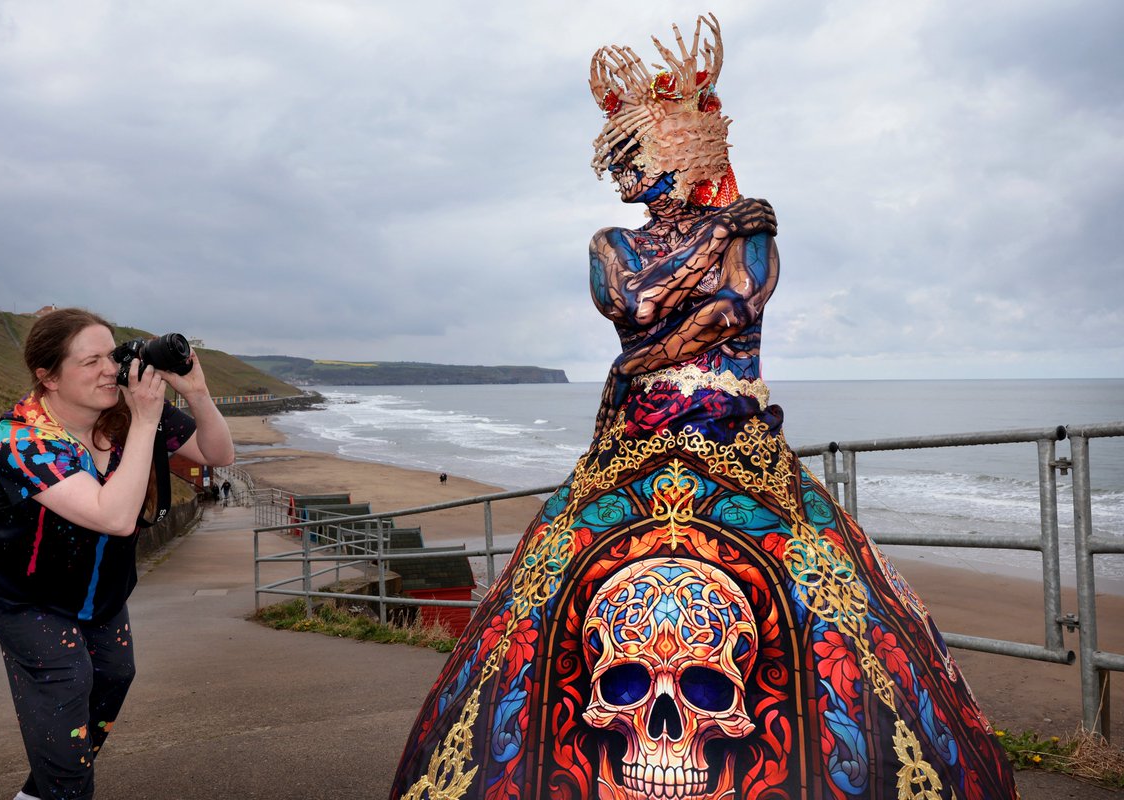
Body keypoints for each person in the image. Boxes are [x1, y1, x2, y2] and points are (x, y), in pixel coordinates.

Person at [389, 15, 1018, 800]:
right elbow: (636, 302)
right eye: (618, 159)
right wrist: (716, 233)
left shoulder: (751, 232)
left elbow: (734, 307)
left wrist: (650, 347)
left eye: (636, 153)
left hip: (738, 442)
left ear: (680, 152)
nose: (624, 176)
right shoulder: (626, 242)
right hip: (631, 446)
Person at [0, 307, 235, 800]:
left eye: (113, 354)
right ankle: (63, 787)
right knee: (66, 679)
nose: (110, 369)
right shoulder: (22, 439)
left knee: (114, 675)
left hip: (94, 587)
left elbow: (217, 454)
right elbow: (114, 517)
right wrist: (144, 424)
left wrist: (196, 392)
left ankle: (44, 786)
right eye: (91, 361)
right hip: (16, 588)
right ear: (48, 377)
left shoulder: (124, 410)